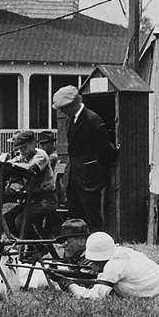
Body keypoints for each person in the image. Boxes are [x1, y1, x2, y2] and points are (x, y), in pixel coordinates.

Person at [53, 86, 116, 232]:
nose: (62, 112)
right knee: (76, 217)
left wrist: (95, 170)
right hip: (75, 177)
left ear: (72, 104)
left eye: (63, 108)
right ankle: (78, 247)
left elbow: (105, 151)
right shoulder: (70, 121)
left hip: (90, 180)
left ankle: (97, 247)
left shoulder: (93, 120)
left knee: (92, 217)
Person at [59, 232, 159, 300]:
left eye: (95, 261)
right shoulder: (123, 252)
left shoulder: (113, 266)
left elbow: (95, 298)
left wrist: (69, 285)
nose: (93, 264)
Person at [0, 130, 51, 239]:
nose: (22, 151)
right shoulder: (24, 156)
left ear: (33, 143)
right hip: (30, 200)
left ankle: (39, 248)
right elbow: (8, 164)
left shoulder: (41, 155)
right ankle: (26, 246)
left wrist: (12, 165)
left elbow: (30, 169)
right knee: (7, 218)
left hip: (45, 200)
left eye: (24, 147)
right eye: (20, 149)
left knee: (20, 221)